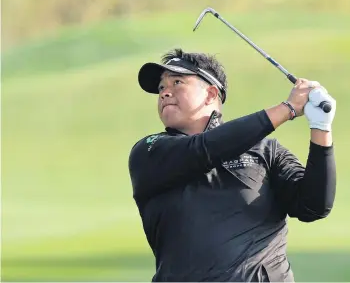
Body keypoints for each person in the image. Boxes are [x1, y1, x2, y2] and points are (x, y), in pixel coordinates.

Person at [128, 48, 337, 282]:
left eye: (177, 82)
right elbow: (205, 149)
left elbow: (314, 205)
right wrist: (286, 109)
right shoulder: (149, 152)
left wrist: (321, 126)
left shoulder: (266, 151)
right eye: (161, 88)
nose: (165, 93)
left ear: (210, 94)